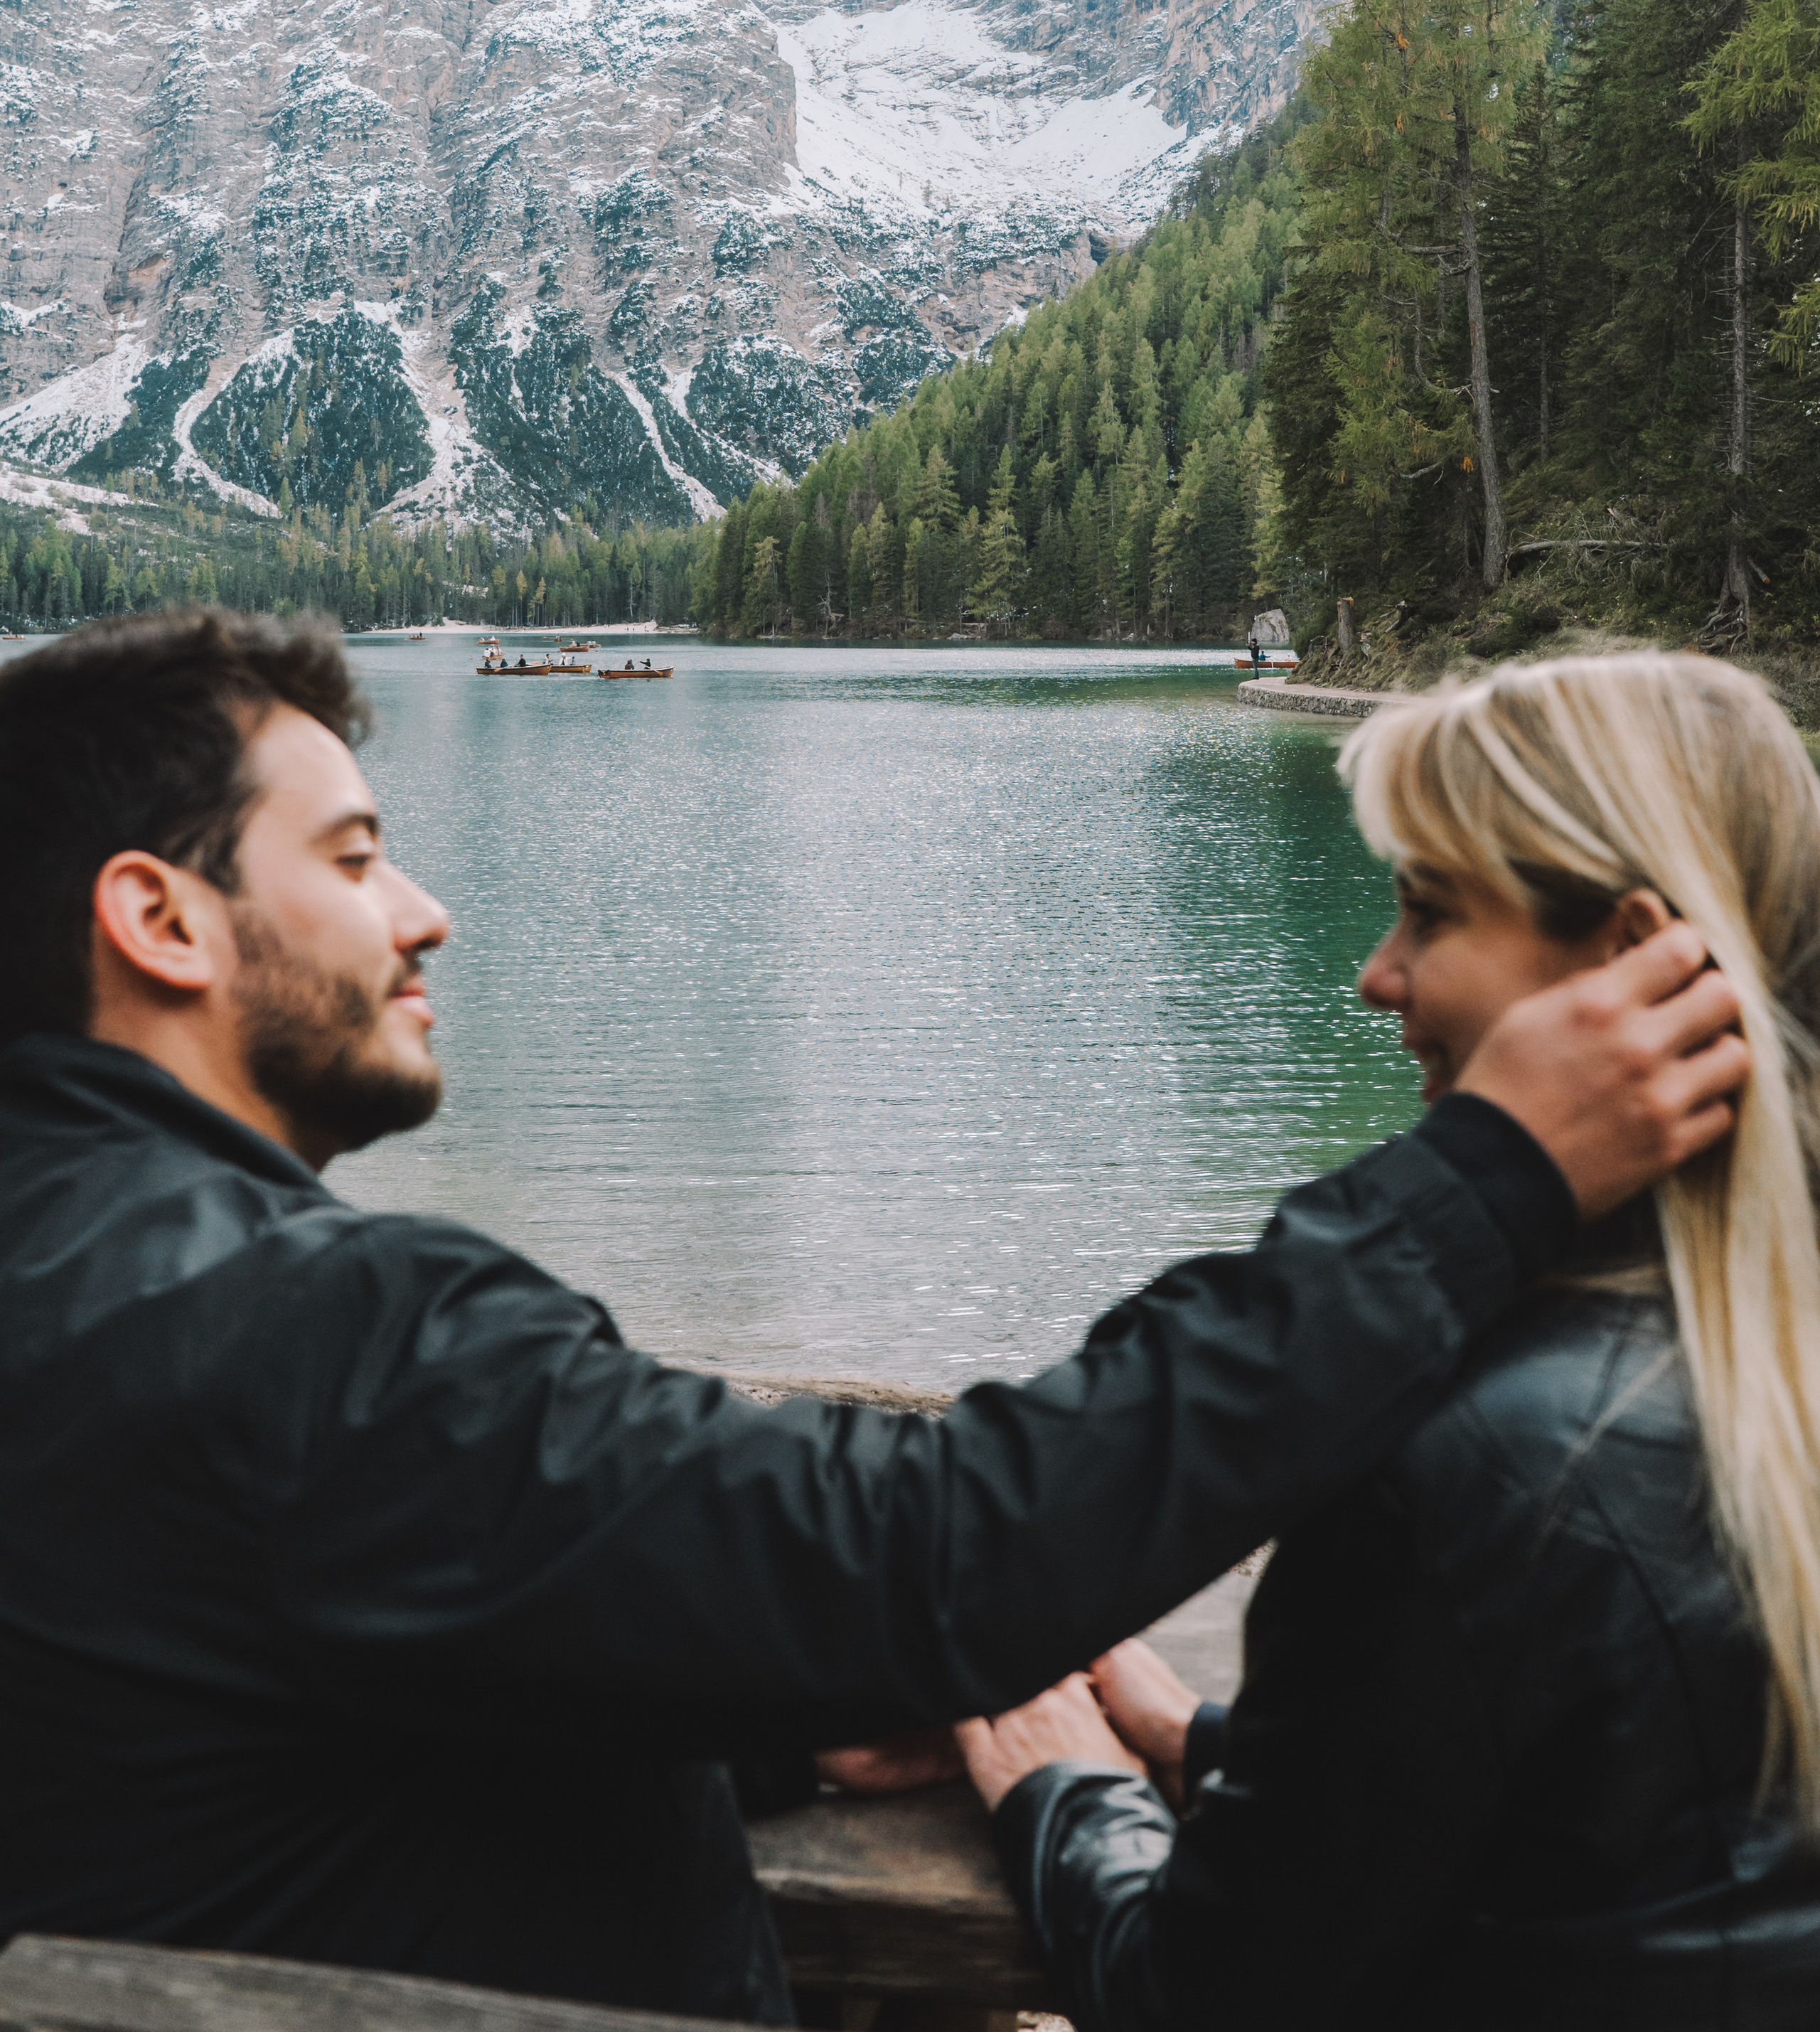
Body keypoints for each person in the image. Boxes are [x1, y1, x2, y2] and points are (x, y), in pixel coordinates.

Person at [0, 615, 1744, 2020]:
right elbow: (934, 1552)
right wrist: (1479, 1182)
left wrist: (758, 1711)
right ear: (161, 919)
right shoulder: (303, 1331)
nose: (423, 912)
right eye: (358, 855)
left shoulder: (88, 1279)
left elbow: (263, 1695)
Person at [960, 651, 1820, 2030]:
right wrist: (1215, 1746)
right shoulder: (1762, 1374)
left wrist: (1064, 1789)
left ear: (1630, 958)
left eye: (1425, 912)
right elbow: (1643, 1820)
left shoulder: (1459, 1472)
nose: (1374, 977)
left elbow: (1195, 2001)